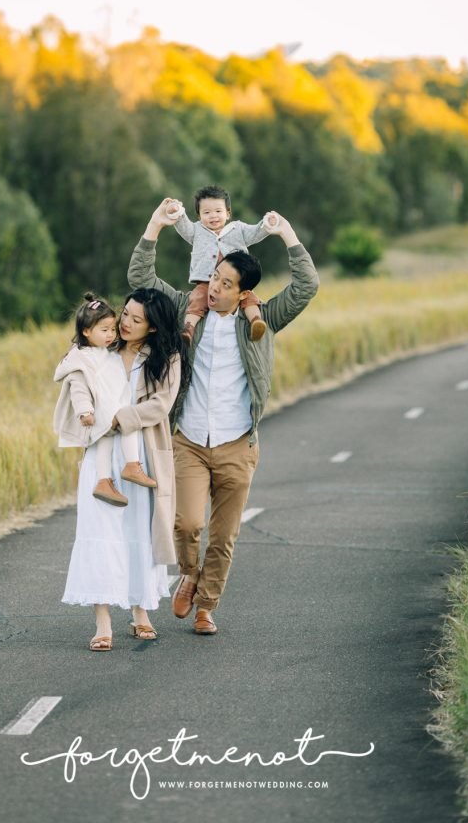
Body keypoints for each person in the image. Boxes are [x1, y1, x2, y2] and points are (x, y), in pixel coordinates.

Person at [128, 199, 319, 636]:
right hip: (190, 439)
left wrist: (286, 235)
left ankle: (206, 606)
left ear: (244, 292)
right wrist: (154, 226)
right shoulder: (183, 311)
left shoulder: (263, 319)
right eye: (214, 277)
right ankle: (189, 575)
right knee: (188, 523)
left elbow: (306, 286)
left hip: (237, 443)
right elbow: (141, 280)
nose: (214, 288)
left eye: (226, 283)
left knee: (224, 536)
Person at [54, 287, 189, 651]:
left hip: (140, 455)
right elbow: (74, 379)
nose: (124, 323)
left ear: (154, 327)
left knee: (138, 533)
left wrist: (118, 418)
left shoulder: (166, 357)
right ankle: (102, 620)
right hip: (101, 452)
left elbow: (161, 404)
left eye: (134, 319)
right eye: (124, 314)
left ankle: (140, 611)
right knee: (100, 531)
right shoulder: (101, 347)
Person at [53, 293, 157, 509]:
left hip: (109, 409)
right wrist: (85, 412)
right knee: (128, 425)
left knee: (106, 443)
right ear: (86, 331)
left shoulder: (104, 351)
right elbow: (78, 388)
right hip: (101, 411)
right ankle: (132, 465)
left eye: (112, 328)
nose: (111, 334)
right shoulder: (81, 358)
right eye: (104, 330)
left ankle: (104, 481)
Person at [166, 184, 276, 343]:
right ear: (199, 216)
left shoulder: (238, 229)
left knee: (249, 297)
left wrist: (267, 223)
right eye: (206, 212)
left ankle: (256, 321)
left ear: (228, 213)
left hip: (236, 280)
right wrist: (176, 211)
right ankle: (189, 329)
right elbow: (184, 227)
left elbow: (255, 233)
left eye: (218, 211)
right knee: (197, 298)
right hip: (206, 280)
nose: (213, 216)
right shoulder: (196, 231)